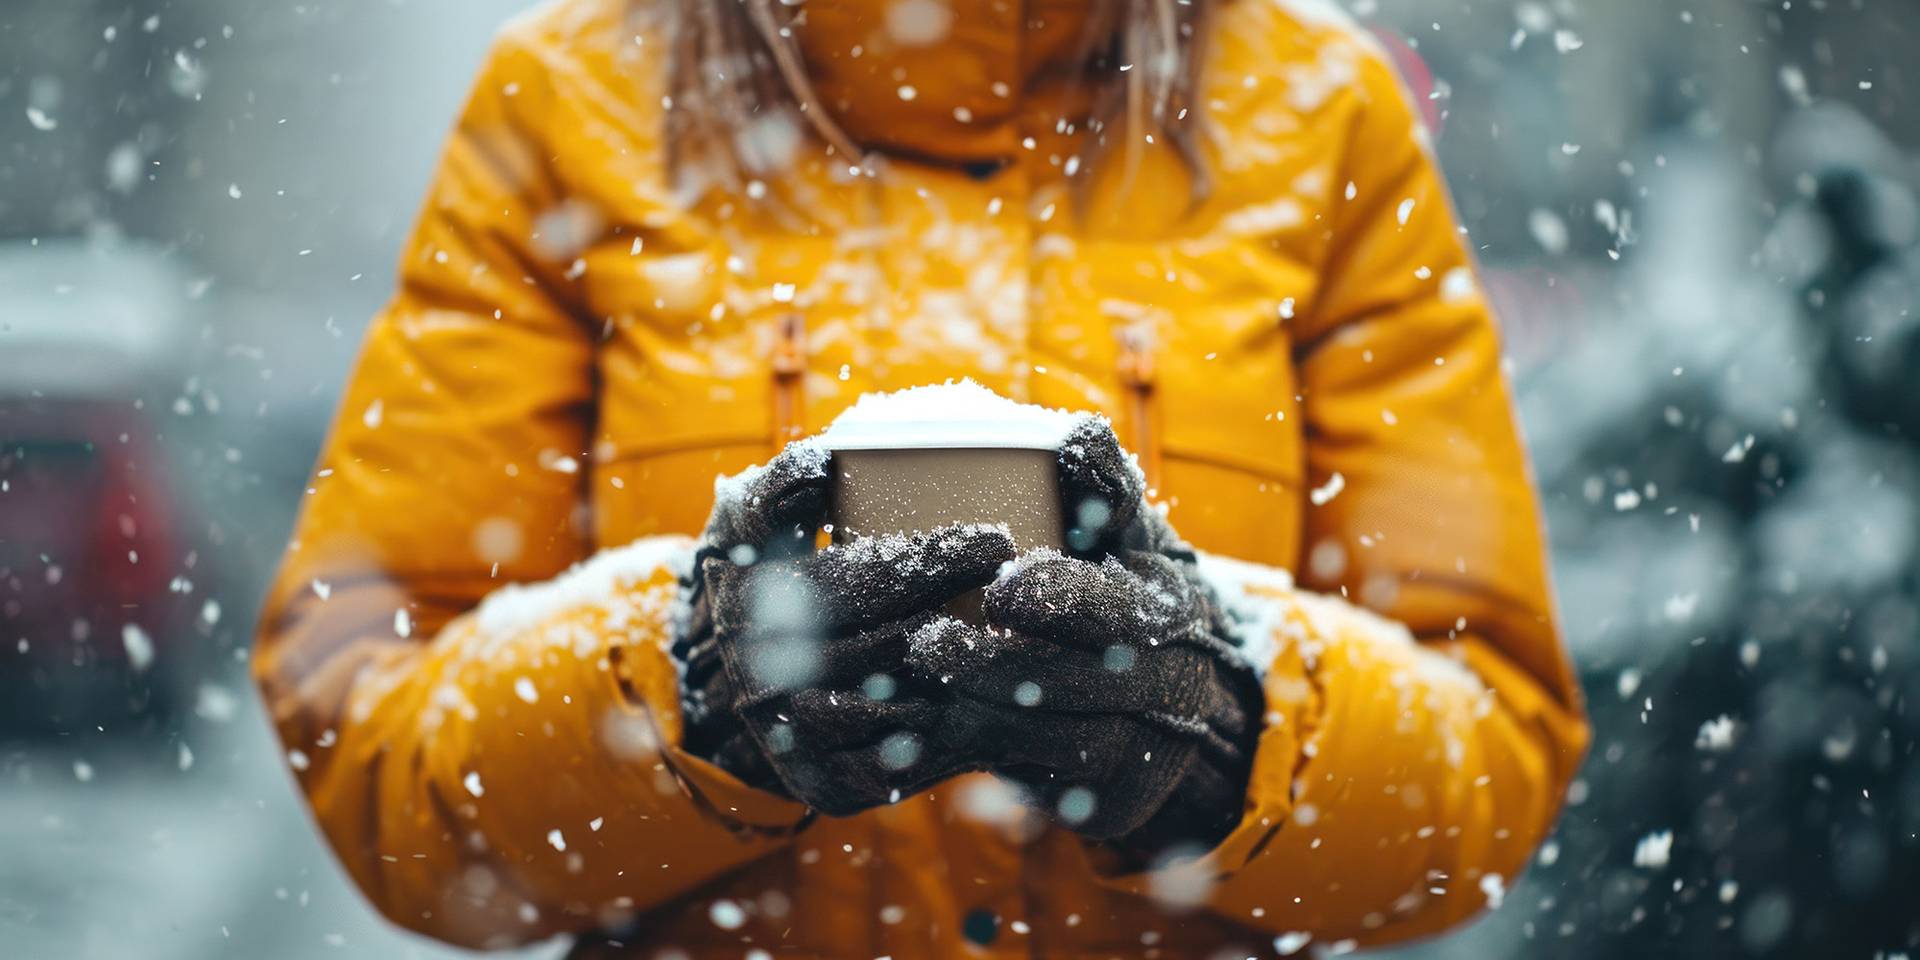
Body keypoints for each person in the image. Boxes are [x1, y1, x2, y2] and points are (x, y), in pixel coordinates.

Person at [252, 0, 1590, 955]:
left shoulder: (1319, 111)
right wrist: (688, 692)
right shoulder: (570, 99)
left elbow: (1492, 754)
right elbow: (375, 745)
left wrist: (1225, 729)